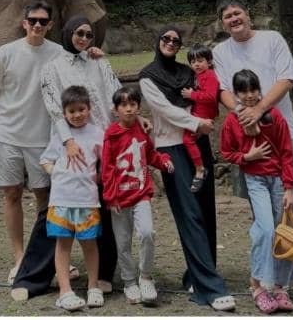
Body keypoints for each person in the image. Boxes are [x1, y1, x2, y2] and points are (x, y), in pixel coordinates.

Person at [211, 0, 293, 311]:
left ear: (248, 15)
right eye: (227, 16)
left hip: (284, 136)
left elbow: (287, 78)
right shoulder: (220, 53)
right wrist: (242, 113)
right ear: (223, 23)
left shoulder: (272, 40)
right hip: (248, 145)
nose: (234, 19)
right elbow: (221, 90)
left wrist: (259, 110)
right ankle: (261, 281)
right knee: (262, 219)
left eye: (237, 13)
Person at [11, 16, 120, 300]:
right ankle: (32, 277)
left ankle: (104, 275)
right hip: (68, 145)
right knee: (54, 211)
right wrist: (68, 141)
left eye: (88, 34)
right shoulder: (52, 68)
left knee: (103, 209)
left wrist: (128, 126)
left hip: (103, 142)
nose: (83, 38)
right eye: (78, 33)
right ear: (68, 33)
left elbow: (116, 95)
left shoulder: (100, 62)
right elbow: (53, 108)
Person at [138, 27, 236, 312]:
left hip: (199, 144)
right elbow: (163, 109)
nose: (170, 43)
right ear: (157, 41)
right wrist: (195, 123)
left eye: (175, 41)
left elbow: (211, 92)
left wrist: (236, 109)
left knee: (205, 211)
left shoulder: (187, 72)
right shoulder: (148, 76)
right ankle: (211, 288)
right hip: (172, 147)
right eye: (165, 39)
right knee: (189, 213)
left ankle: (197, 274)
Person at [0, 0, 62, 286]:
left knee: (45, 198)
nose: (37, 25)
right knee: (12, 194)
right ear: (24, 22)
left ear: (50, 25)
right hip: (8, 135)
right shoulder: (6, 53)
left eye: (43, 21)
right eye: (33, 20)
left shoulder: (59, 54)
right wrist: (9, 108)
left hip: (43, 138)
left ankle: (46, 258)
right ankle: (19, 257)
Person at [219, 69, 293, 314]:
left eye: (253, 90)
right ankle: (257, 286)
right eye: (244, 91)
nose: (250, 95)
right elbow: (226, 152)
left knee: (283, 231)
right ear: (237, 94)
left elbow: (287, 153)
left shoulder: (273, 116)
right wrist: (247, 156)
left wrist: (289, 187)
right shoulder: (232, 121)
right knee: (264, 229)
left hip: (277, 179)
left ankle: (279, 287)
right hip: (255, 179)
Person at [101, 86, 174, 305]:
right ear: (116, 110)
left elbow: (150, 153)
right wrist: (111, 197)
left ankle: (145, 276)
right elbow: (107, 168)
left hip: (141, 194)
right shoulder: (111, 135)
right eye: (123, 105)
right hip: (119, 199)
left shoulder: (141, 131)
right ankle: (129, 281)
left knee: (147, 233)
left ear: (138, 107)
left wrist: (163, 161)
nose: (129, 109)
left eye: (133, 104)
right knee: (122, 242)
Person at [39, 86, 106, 311]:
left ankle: (93, 286)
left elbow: (106, 162)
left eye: (81, 109)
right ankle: (65, 291)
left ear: (89, 109)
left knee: (89, 244)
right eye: (71, 111)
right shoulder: (60, 135)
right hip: (61, 200)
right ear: (64, 113)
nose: (77, 115)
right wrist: (57, 173)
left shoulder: (97, 134)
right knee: (63, 244)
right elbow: (45, 160)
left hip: (87, 200)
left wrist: (97, 178)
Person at [179, 44, 220, 192]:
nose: (196, 64)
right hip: (198, 113)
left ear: (209, 62)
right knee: (191, 138)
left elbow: (210, 97)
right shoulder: (198, 75)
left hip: (203, 114)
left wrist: (192, 95)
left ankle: (200, 169)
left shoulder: (210, 76)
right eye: (193, 61)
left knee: (187, 140)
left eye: (200, 60)